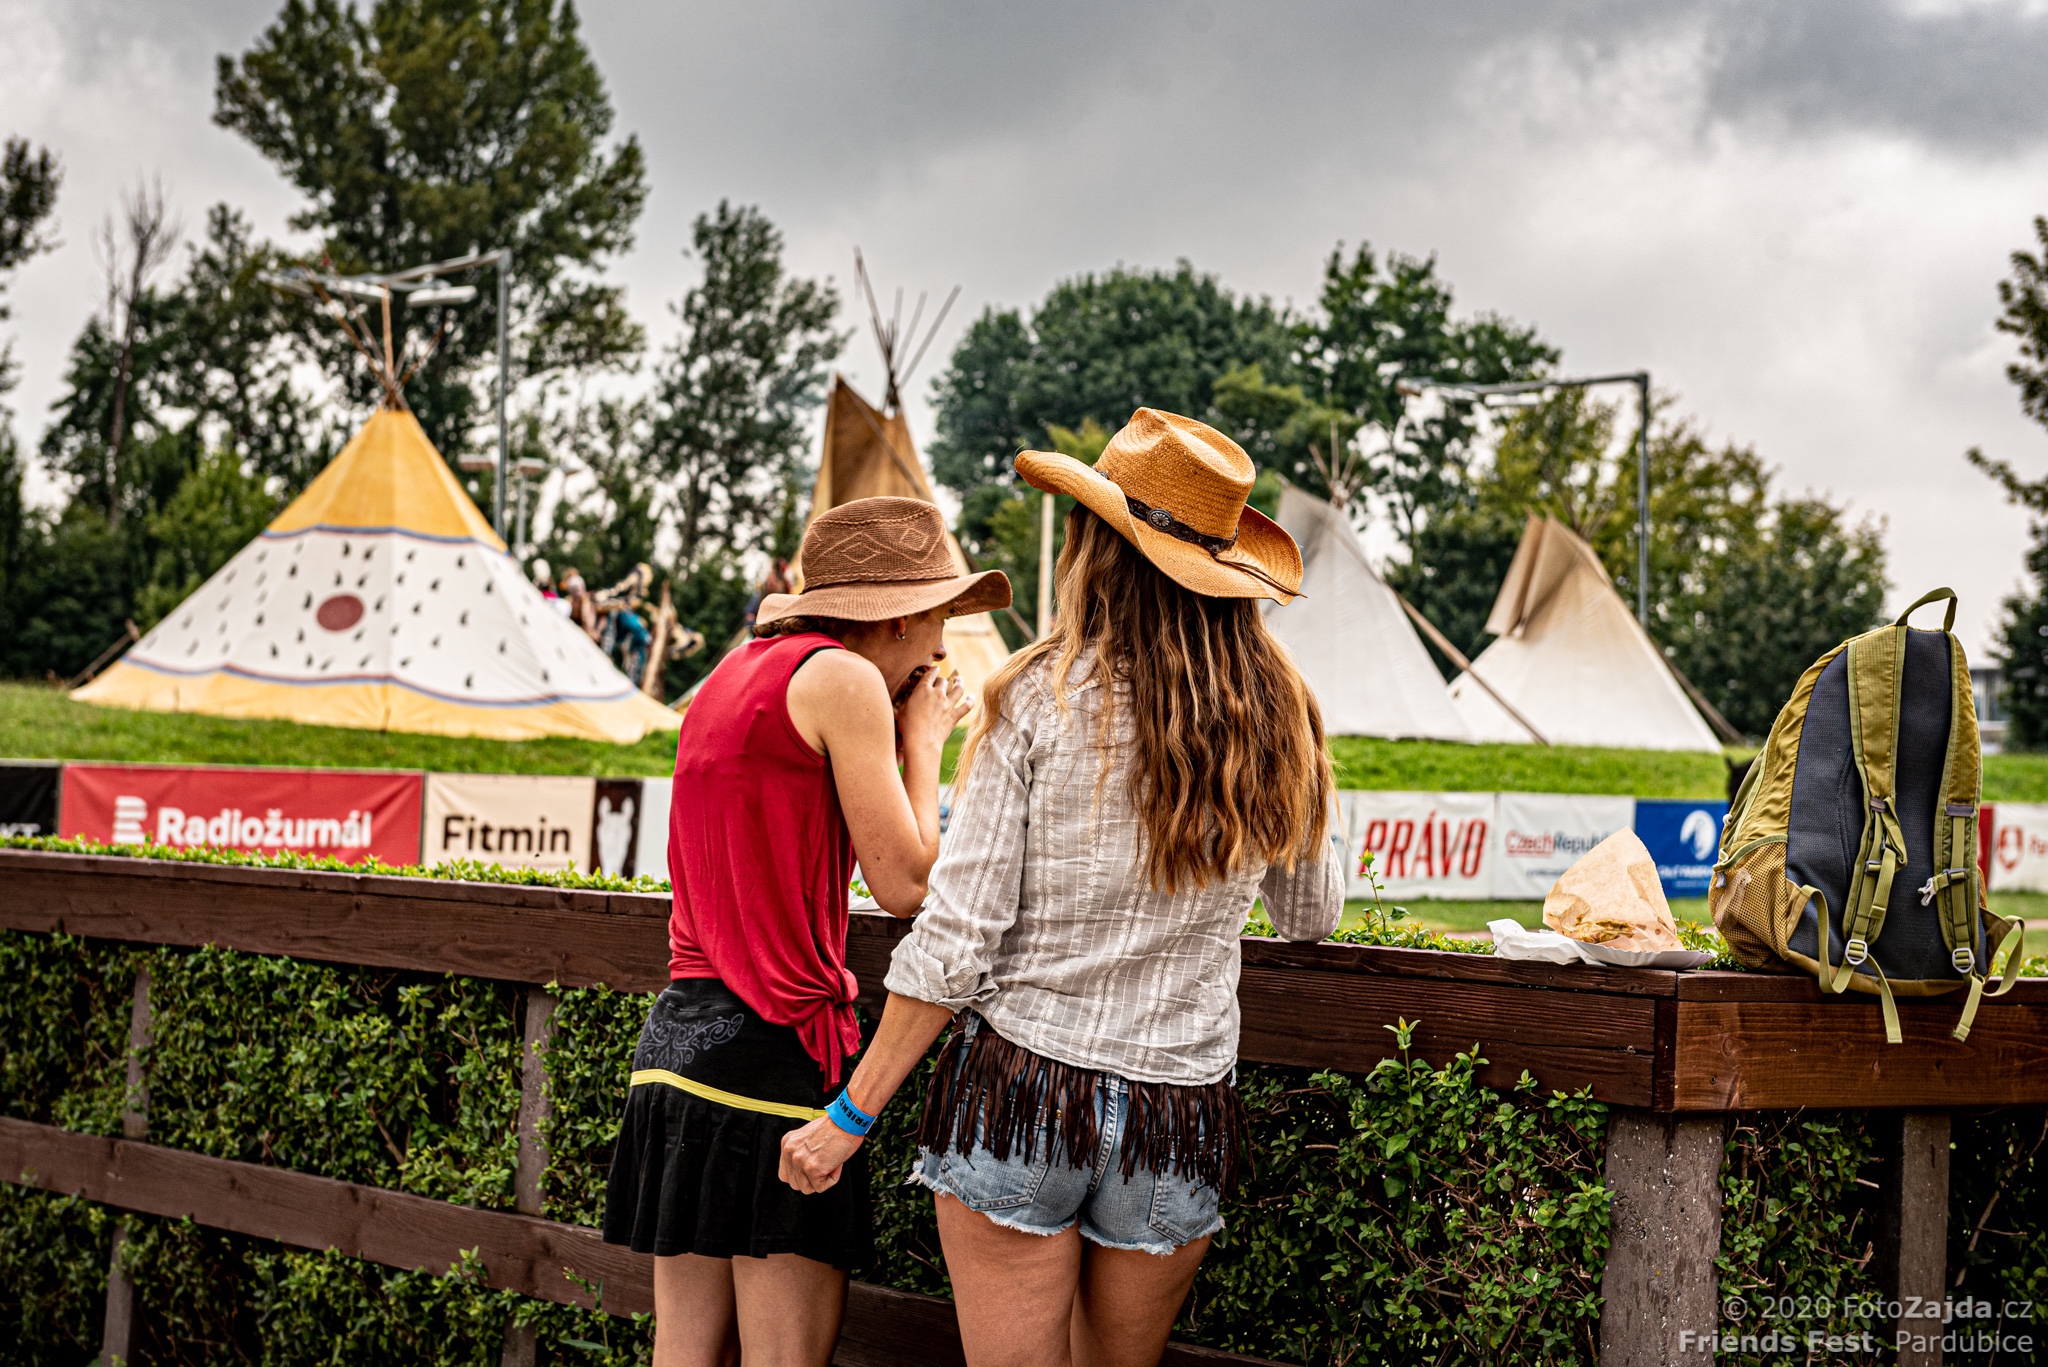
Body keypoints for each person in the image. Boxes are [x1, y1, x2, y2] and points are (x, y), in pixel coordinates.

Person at [780, 409, 1345, 1367]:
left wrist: (850, 1114)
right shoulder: (1280, 710)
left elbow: (957, 938)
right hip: (1176, 1116)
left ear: (1096, 548)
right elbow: (1311, 915)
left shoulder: (1038, 694)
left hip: (1025, 1093)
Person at [603, 496, 1011, 1367]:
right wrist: (924, 743)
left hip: (677, 1047)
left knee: (683, 1354)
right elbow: (906, 884)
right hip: (774, 1055)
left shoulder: (731, 672)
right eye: (939, 617)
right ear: (898, 615)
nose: (942, 647)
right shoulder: (845, 679)